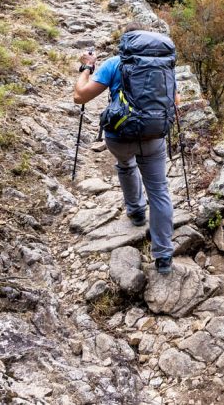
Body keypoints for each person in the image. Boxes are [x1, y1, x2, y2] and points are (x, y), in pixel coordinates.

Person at [73, 22, 178, 275]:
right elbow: (175, 101)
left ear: (126, 42)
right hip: (153, 137)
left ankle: (136, 212)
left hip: (119, 136)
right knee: (159, 190)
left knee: (126, 164)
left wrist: (87, 68)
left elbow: (80, 96)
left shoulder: (114, 64)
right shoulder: (163, 65)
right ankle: (164, 256)